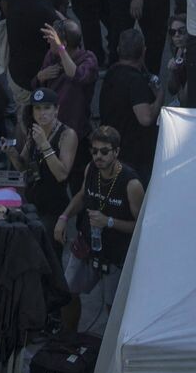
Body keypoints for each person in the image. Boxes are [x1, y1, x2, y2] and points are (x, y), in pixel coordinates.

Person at [54, 124, 144, 325]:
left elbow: (141, 227)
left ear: (116, 152)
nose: (98, 156)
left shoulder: (131, 183)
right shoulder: (91, 169)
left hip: (115, 254)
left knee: (113, 306)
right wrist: (64, 217)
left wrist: (109, 222)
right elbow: (82, 195)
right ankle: (67, 336)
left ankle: (111, 343)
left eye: (104, 151)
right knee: (68, 292)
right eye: (94, 151)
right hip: (87, 244)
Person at [98, 26, 164, 182]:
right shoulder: (135, 81)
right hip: (134, 156)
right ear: (143, 51)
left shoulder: (111, 73)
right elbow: (145, 118)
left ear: (119, 50)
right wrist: (160, 96)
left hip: (114, 148)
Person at [34, 15, 98, 169]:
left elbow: (76, 75)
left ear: (64, 44)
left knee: (74, 172)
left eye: (52, 39)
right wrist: (40, 76)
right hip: (51, 129)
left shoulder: (88, 59)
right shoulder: (52, 56)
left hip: (76, 131)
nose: (49, 42)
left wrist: (61, 49)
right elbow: (38, 88)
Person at [4, 0, 63, 112]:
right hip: (31, 84)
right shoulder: (40, 12)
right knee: (31, 122)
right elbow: (60, 48)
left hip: (16, 72)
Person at [18, 87, 78, 224]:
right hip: (32, 201)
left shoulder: (67, 134)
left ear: (56, 109)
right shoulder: (34, 131)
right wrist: (10, 152)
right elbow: (22, 167)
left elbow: (61, 175)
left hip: (53, 206)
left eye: (47, 108)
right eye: (37, 108)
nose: (42, 113)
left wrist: (44, 144)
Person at [165, 13, 190, 101]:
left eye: (181, 31)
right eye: (172, 32)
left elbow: (185, 99)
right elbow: (172, 90)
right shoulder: (179, 50)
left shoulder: (194, 56)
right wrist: (174, 71)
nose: (176, 35)